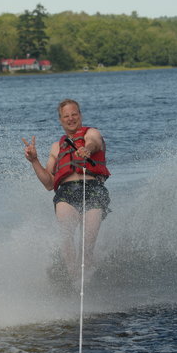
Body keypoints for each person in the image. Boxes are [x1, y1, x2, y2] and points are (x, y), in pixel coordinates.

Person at [22, 99, 111, 279]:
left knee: (87, 243)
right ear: (60, 120)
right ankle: (72, 277)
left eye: (74, 114)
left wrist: (86, 149)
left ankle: (87, 277)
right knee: (66, 236)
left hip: (93, 190)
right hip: (66, 193)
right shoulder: (56, 147)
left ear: (80, 116)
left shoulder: (92, 133)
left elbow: (93, 143)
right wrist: (34, 161)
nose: (71, 118)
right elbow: (49, 183)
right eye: (66, 116)